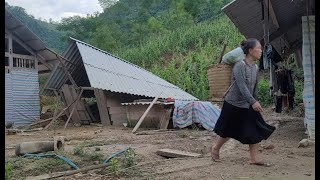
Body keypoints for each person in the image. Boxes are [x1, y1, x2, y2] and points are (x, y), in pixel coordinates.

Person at [211, 38, 275, 166]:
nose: (261, 51)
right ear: (250, 50)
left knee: (253, 129)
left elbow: (254, 87)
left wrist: (255, 101)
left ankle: (254, 158)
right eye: (259, 48)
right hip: (233, 104)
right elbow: (241, 87)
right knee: (227, 130)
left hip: (248, 104)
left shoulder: (255, 67)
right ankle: (215, 148)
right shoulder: (239, 65)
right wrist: (253, 102)